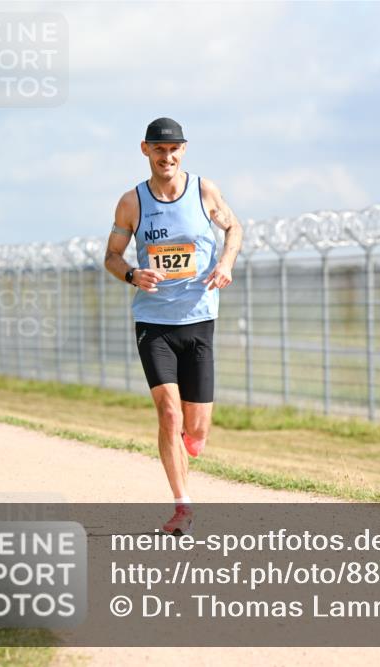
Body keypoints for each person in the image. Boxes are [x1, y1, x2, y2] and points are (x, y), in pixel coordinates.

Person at [104, 117, 243, 535]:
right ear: (145, 150)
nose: (168, 157)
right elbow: (112, 256)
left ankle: (187, 447)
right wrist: (132, 275)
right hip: (153, 321)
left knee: (195, 429)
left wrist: (226, 263)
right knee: (168, 414)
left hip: (198, 318)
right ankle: (182, 506)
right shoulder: (132, 202)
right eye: (159, 150)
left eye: (174, 149)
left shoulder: (204, 191)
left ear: (184, 150)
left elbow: (234, 227)